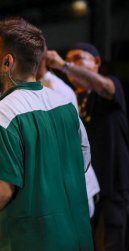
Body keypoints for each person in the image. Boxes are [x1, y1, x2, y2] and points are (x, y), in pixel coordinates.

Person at [0, 17, 94, 251]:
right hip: (79, 238)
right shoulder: (65, 105)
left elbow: (1, 189)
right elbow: (83, 161)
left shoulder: (1, 114)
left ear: (8, 62)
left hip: (34, 243)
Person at [46, 42, 129, 251]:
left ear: (96, 62)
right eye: (68, 59)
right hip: (84, 194)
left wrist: (62, 64)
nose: (70, 63)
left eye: (77, 58)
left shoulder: (109, 87)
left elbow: (105, 87)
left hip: (113, 192)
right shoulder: (69, 99)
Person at [36, 50, 100, 218]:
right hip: (60, 189)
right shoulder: (30, 89)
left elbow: (63, 143)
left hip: (72, 190)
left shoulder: (56, 89)